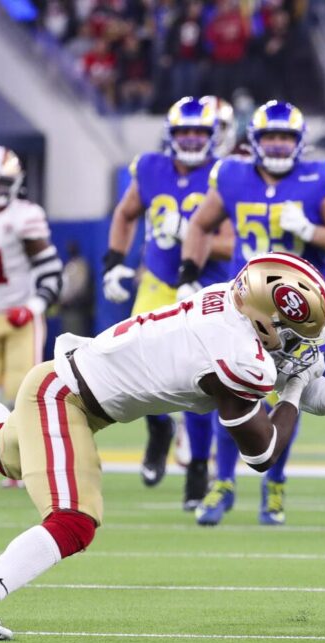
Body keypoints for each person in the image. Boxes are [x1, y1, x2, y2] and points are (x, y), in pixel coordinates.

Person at [0, 253, 325, 640]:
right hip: (65, 398)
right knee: (75, 519)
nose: (296, 346)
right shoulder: (234, 354)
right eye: (290, 332)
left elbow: (298, 376)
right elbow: (264, 452)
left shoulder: (230, 305)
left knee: (6, 451)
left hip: (65, 384)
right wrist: (292, 388)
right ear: (263, 315)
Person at [178, 99, 325, 525]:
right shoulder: (231, 174)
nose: (278, 146)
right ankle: (223, 481)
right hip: (242, 306)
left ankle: (275, 481)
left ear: (299, 143)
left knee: (290, 392)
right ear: (255, 141)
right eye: (270, 137)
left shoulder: (321, 179)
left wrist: (310, 230)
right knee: (231, 389)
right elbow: (200, 224)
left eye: (285, 138)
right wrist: (188, 273)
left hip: (300, 316)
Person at [102, 96, 232, 505]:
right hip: (158, 281)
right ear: (170, 135)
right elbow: (126, 213)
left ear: (213, 136)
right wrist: (113, 261)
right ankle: (158, 429)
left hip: (210, 288)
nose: (192, 139)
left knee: (204, 380)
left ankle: (196, 466)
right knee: (141, 365)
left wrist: (192, 233)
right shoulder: (150, 168)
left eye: (199, 132)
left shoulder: (224, 175)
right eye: (184, 132)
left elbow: (233, 242)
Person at [0, 146, 63, 488]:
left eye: (2, 181)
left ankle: (25, 465)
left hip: (19, 314)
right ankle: (8, 459)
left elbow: (52, 271)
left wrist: (34, 306)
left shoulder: (26, 215)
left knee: (21, 393)